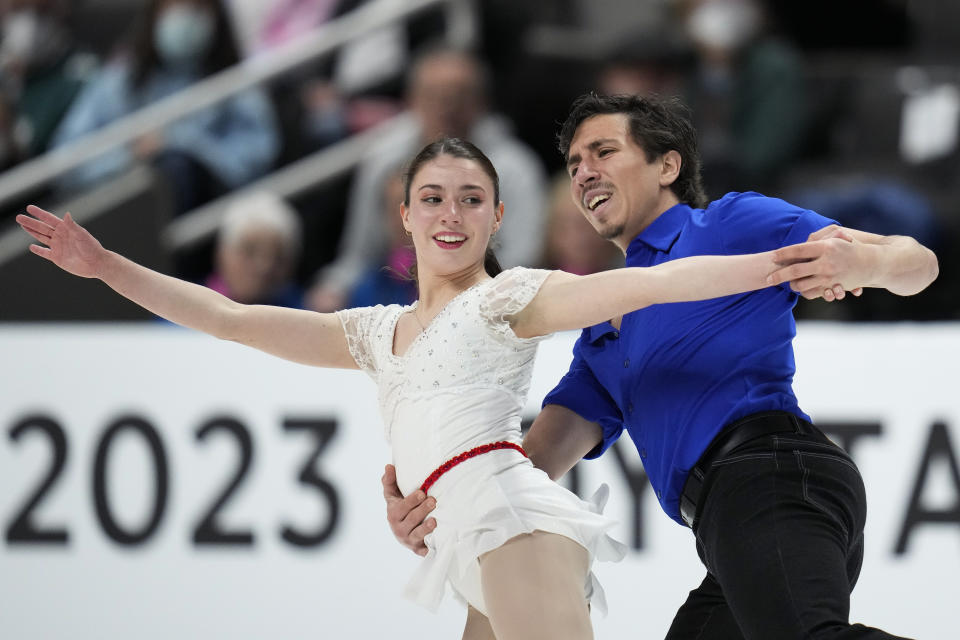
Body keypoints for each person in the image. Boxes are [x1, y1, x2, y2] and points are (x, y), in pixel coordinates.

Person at [18, 137, 800, 640]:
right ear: (404, 215)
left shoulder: (508, 297)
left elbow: (655, 286)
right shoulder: (370, 332)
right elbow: (227, 318)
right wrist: (106, 267)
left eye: (470, 199)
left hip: (512, 524)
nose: (450, 214)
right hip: (463, 543)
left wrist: (779, 265)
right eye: (433, 197)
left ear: (497, 216)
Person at [382, 95, 939, 639]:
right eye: (575, 163)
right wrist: (435, 510)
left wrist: (863, 259)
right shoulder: (601, 334)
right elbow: (523, 468)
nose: (584, 173)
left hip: (772, 478)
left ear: (668, 165)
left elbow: (919, 264)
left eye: (603, 152)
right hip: (731, 520)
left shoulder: (729, 224)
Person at [306, 45, 548, 312]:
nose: (447, 106)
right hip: (394, 293)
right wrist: (333, 289)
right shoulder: (383, 159)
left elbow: (523, 263)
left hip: (488, 298)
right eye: (434, 95)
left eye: (459, 96)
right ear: (412, 100)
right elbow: (360, 253)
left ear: (482, 102)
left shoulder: (516, 169)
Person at [50, 0, 279, 215]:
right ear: (154, 13)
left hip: (208, 216)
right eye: (174, 5)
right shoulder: (119, 82)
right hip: (119, 214)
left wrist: (178, 143)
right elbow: (65, 161)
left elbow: (256, 159)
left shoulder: (234, 84)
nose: (184, 17)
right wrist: (130, 154)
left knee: (175, 166)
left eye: (196, 7)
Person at [205, 190, 304, 308]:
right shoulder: (187, 306)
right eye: (249, 251)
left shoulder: (307, 314)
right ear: (222, 253)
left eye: (278, 256)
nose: (264, 266)